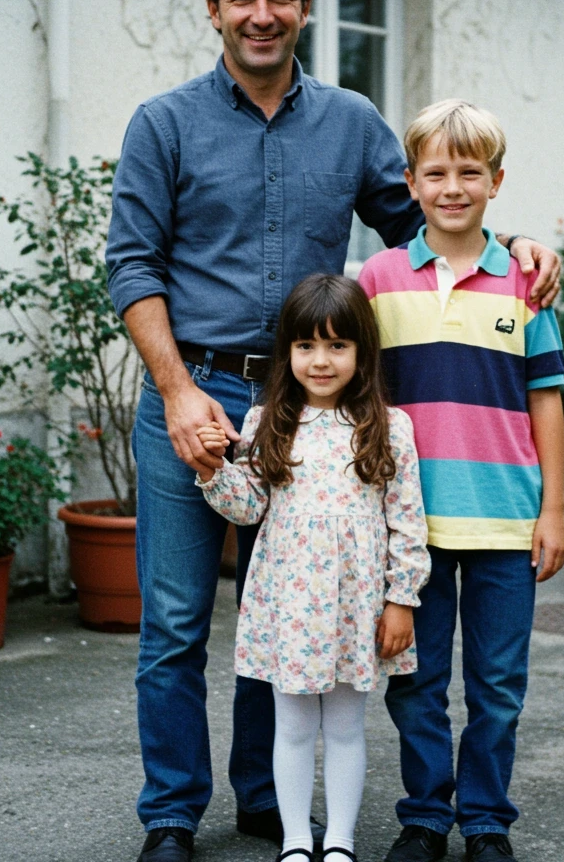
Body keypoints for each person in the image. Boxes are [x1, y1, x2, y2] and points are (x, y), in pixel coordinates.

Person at [104, 0, 562, 862]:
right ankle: (171, 815)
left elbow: (430, 231)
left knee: (283, 608)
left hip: (310, 405)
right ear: (213, 9)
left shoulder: (353, 124)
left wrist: (517, 243)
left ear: (305, 6)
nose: (261, 13)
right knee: (179, 621)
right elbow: (133, 268)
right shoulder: (164, 124)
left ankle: (264, 797)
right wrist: (181, 392)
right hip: (190, 395)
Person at [357, 101, 564, 862]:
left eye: (469, 172)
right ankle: (423, 817)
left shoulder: (525, 283)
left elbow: (545, 398)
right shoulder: (377, 280)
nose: (453, 187)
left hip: (506, 522)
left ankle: (485, 822)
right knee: (413, 681)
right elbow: (361, 397)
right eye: (436, 173)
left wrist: (554, 510)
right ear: (410, 183)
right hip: (410, 527)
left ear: (496, 182)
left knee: (498, 687)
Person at [193, 274, 431, 862]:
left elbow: (408, 522)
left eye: (336, 346)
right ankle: (298, 841)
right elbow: (247, 507)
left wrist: (401, 599)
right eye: (306, 347)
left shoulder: (389, 427)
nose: (320, 361)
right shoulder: (265, 421)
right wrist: (210, 470)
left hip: (357, 607)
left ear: (361, 352)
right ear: (288, 352)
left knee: (347, 727)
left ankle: (342, 842)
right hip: (292, 607)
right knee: (293, 726)